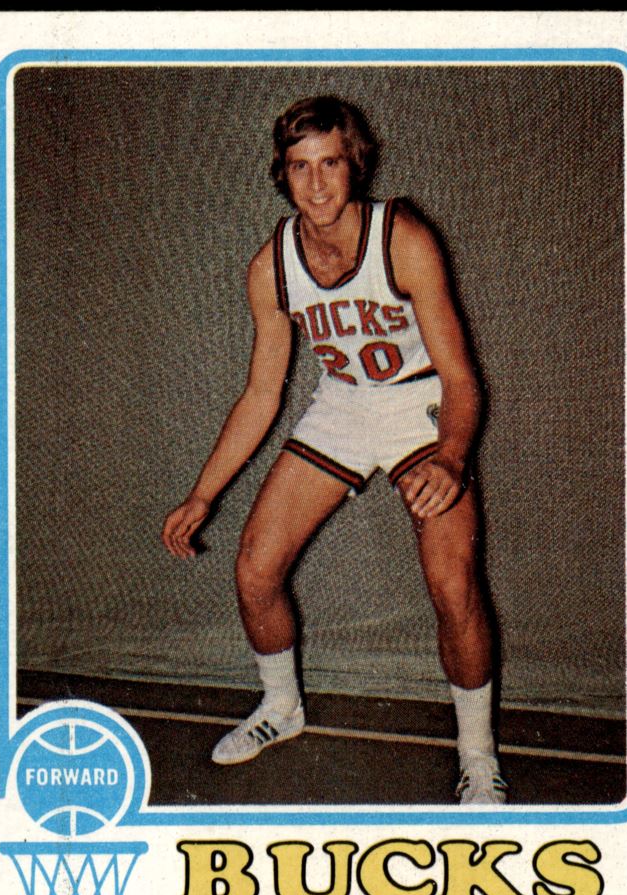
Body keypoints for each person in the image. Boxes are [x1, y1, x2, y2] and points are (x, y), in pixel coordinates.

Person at [162, 96, 507, 805]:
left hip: (421, 405)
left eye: (329, 164)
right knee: (255, 567)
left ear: (356, 165)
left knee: (453, 586)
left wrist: (450, 456)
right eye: (300, 167)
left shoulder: (402, 237)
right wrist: (203, 493)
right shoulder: (271, 267)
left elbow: (461, 376)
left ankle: (478, 757)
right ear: (282, 174)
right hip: (345, 404)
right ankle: (281, 708)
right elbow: (262, 395)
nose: (316, 184)